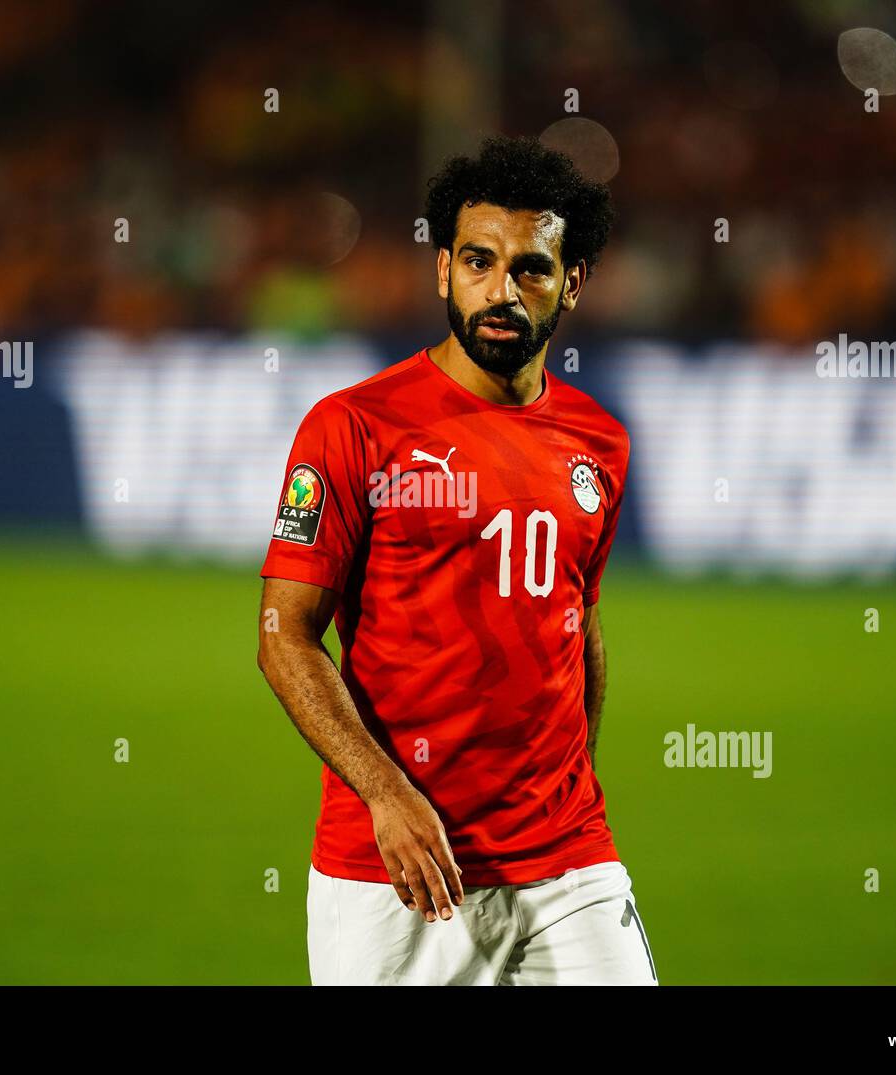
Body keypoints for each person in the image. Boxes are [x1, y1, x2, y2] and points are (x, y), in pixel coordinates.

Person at [256, 134, 657, 985]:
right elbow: (285, 634)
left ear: (572, 282)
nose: (501, 290)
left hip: (569, 864)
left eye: (531, 268)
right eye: (478, 261)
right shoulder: (353, 427)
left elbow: (575, 624)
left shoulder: (601, 443)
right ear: (443, 270)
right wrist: (386, 795)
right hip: (394, 871)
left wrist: (565, 793)